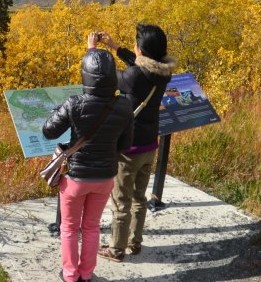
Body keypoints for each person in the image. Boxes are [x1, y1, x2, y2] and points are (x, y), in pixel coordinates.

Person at [43, 32, 133, 282]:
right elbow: (125, 145)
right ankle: (86, 273)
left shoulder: (75, 103)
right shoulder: (124, 106)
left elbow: (48, 130)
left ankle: (71, 276)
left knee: (69, 228)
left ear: (85, 75)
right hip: (105, 178)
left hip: (76, 179)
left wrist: (57, 109)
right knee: (92, 227)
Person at [100, 24, 177, 262]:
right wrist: (116, 47)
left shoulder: (132, 77)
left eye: (136, 44)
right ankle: (135, 242)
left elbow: (104, 77)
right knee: (139, 198)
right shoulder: (164, 73)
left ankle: (115, 249)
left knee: (120, 201)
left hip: (128, 149)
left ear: (142, 49)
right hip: (149, 146)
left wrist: (94, 51)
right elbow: (141, 64)